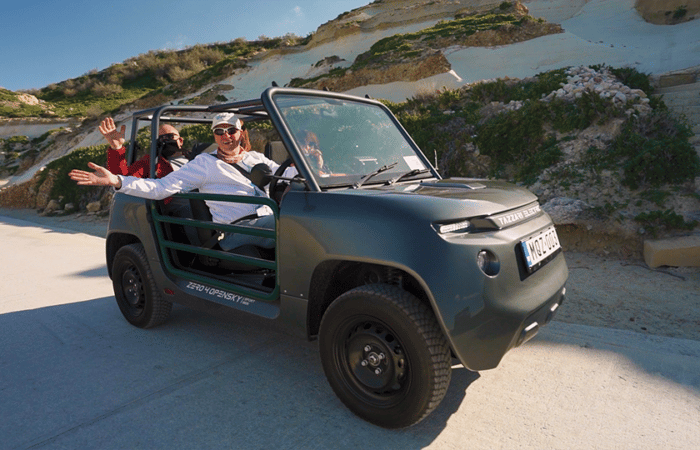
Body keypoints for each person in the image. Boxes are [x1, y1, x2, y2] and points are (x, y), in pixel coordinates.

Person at [70, 113, 287, 251]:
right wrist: (117, 154)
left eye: (170, 138)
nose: (166, 142)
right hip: (177, 208)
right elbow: (135, 179)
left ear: (180, 140)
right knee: (290, 228)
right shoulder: (158, 163)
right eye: (160, 140)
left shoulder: (198, 158)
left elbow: (283, 174)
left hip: (248, 213)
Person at [99, 117, 187, 178]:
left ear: (181, 141)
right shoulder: (150, 163)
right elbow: (122, 179)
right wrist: (117, 148)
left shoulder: (194, 157)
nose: (164, 141)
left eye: (169, 136)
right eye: (160, 138)